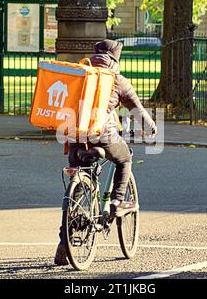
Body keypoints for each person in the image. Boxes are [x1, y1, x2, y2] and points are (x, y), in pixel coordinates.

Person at [54, 39, 157, 265]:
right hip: (103, 136)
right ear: (115, 59)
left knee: (77, 191)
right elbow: (136, 109)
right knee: (125, 159)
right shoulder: (116, 80)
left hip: (75, 136)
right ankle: (118, 201)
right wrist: (151, 127)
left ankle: (64, 245)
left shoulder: (82, 73)